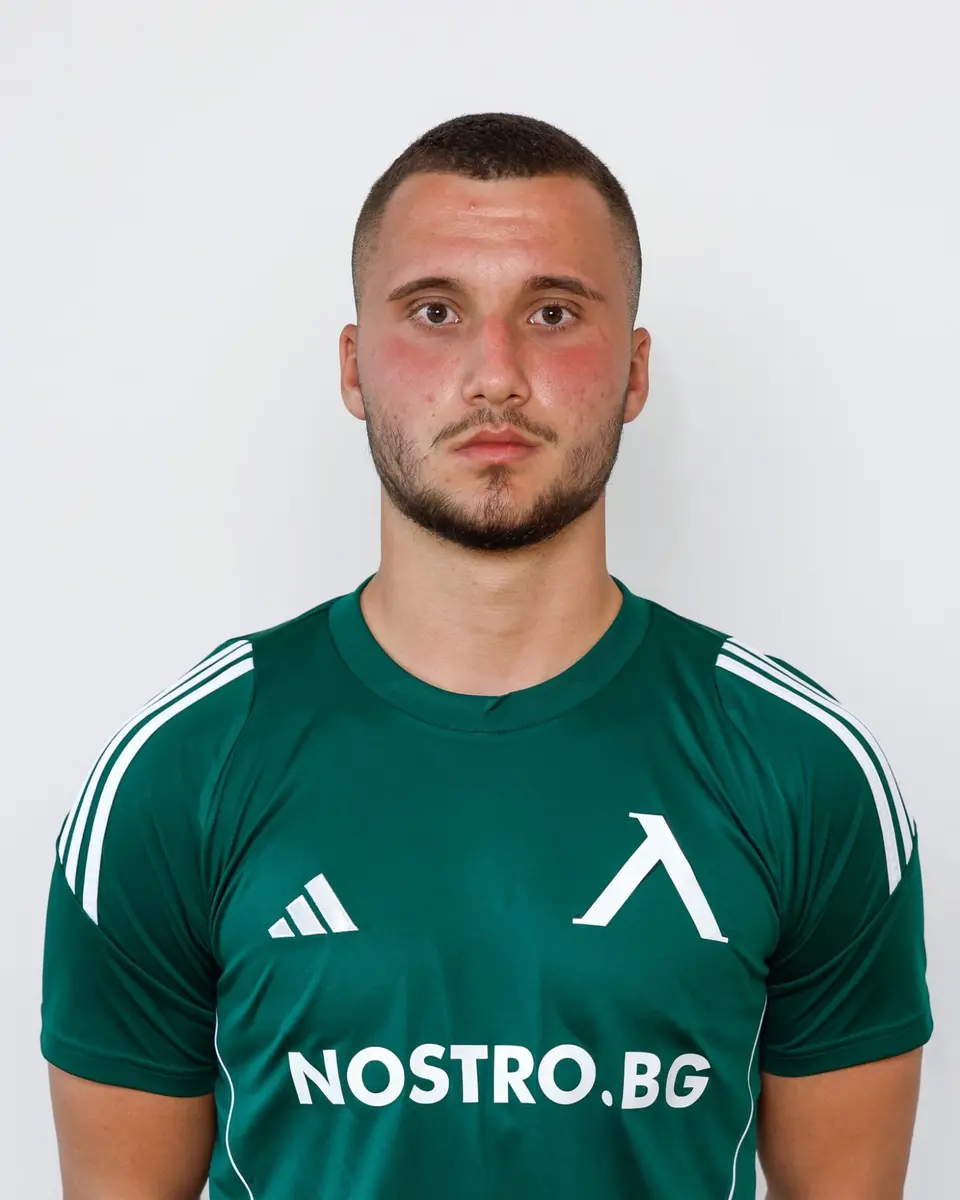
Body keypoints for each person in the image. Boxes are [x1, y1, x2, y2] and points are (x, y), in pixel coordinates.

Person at [41, 112, 932, 1200]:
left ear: (635, 371)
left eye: (553, 313)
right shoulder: (177, 775)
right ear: (355, 367)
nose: (495, 375)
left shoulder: (803, 771)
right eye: (435, 312)